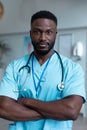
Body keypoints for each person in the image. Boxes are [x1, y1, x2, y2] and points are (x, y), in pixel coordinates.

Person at [0, 10, 86, 130]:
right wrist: (55, 111)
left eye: (49, 32)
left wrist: (28, 102)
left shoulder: (72, 68)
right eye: (37, 32)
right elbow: (3, 108)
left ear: (55, 34)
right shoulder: (15, 67)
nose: (43, 38)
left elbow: (71, 111)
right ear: (30, 34)